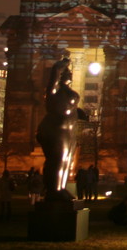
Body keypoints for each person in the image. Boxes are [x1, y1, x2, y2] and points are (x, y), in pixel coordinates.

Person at [36, 58, 87, 200]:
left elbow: (70, 109)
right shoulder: (54, 91)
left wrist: (80, 114)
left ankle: (60, 188)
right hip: (57, 129)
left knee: (66, 160)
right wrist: (58, 68)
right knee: (57, 160)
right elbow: (53, 79)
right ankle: (54, 190)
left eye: (70, 73)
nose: (69, 75)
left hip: (69, 130)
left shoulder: (68, 92)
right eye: (66, 73)